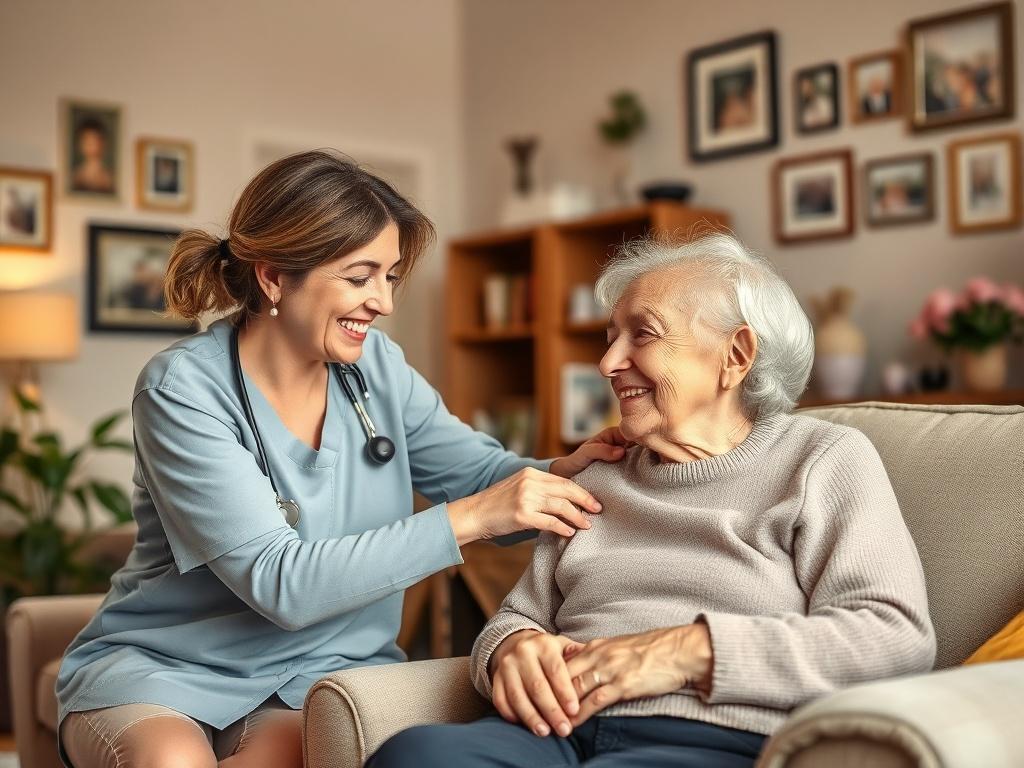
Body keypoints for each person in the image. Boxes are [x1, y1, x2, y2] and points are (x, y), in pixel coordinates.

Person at [55, 150, 626, 768]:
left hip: (315, 674)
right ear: (273, 277)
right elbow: (281, 584)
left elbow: (484, 475)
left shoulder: (379, 368)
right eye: (360, 277)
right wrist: (474, 516)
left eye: (390, 277)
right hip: (170, 663)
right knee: (170, 762)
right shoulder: (182, 391)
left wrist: (567, 471)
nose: (382, 301)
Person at [369, 233, 936, 768]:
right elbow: (519, 616)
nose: (607, 363)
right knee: (415, 755)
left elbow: (893, 636)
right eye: (610, 336)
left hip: (707, 739)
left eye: (642, 334)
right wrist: (511, 650)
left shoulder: (821, 460)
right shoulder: (598, 478)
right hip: (552, 735)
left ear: (735, 356)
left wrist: (685, 651)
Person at [71, 117, 115, 193]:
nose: (91, 146)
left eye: (95, 140)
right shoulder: (74, 177)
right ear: (80, 144)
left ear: (103, 143)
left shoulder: (111, 178)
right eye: (87, 141)